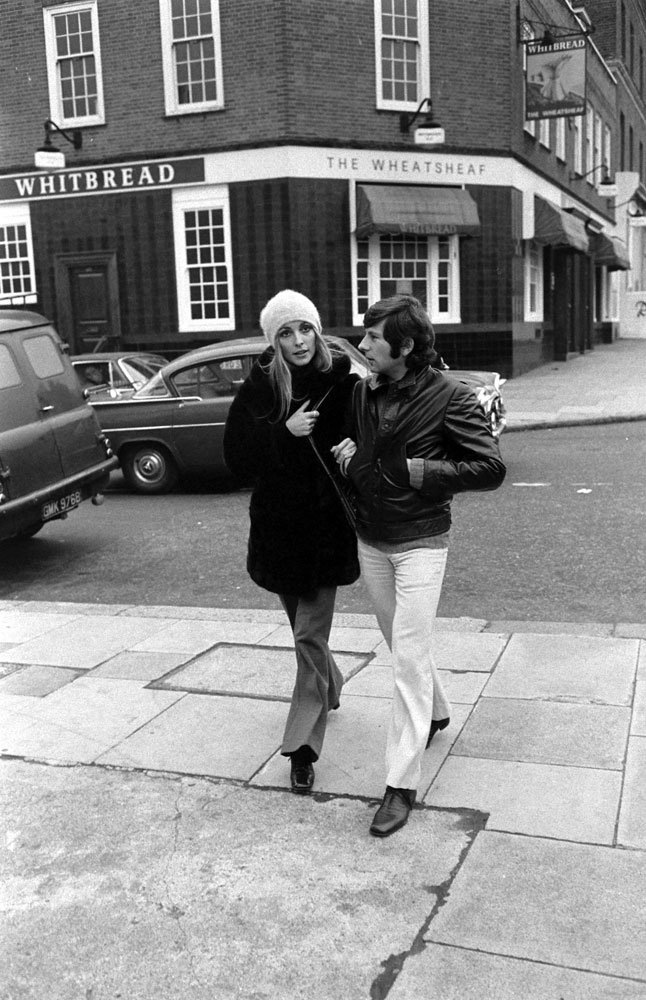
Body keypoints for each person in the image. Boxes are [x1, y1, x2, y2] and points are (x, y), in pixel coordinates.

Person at [332, 294, 506, 838]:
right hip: (371, 540)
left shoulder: (450, 396)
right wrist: (352, 458)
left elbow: (489, 467)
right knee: (401, 644)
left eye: (373, 339)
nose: (363, 347)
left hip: (421, 544)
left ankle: (399, 784)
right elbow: (370, 457)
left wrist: (422, 472)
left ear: (404, 346)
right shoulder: (365, 390)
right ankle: (437, 712)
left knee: (406, 661)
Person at [223, 290, 360, 795]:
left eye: (305, 329)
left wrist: (353, 446)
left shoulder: (343, 381)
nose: (298, 341)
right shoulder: (260, 386)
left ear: (318, 330)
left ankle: (302, 748)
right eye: (286, 332)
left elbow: (367, 438)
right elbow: (236, 459)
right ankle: (334, 686)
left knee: (307, 637)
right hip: (280, 531)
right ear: (273, 340)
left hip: (326, 531)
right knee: (304, 633)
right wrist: (285, 431)